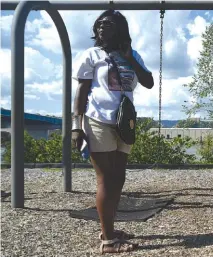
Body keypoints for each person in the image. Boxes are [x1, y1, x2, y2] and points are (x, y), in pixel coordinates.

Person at [71, 9, 154, 254]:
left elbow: (148, 82)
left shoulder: (132, 54)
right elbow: (82, 92)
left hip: (124, 123)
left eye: (107, 24)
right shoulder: (91, 55)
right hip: (98, 121)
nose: (101, 28)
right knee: (106, 179)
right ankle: (108, 241)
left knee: (119, 178)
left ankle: (110, 228)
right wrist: (77, 126)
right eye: (99, 25)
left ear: (119, 28)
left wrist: (130, 58)